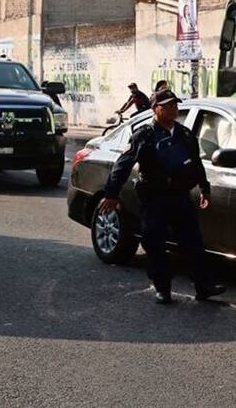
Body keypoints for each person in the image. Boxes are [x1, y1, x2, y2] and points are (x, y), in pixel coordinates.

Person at [96, 90, 225, 305]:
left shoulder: (184, 134)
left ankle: (203, 286)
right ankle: (162, 288)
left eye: (175, 105)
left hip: (180, 197)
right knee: (154, 243)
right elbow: (123, 165)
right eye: (167, 106)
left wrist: (204, 188)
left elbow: (195, 163)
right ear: (155, 109)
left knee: (192, 242)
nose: (173, 109)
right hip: (154, 199)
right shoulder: (144, 135)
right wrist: (111, 194)